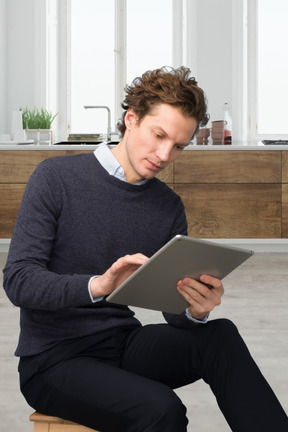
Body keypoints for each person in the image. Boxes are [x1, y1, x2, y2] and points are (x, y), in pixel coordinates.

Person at [3, 66, 288, 432]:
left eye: (178, 146)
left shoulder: (168, 206)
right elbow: (19, 281)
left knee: (219, 336)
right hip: (53, 359)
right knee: (161, 409)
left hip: (122, 343)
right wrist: (99, 286)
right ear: (131, 120)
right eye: (158, 135)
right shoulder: (55, 179)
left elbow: (171, 311)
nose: (165, 154)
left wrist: (193, 308)